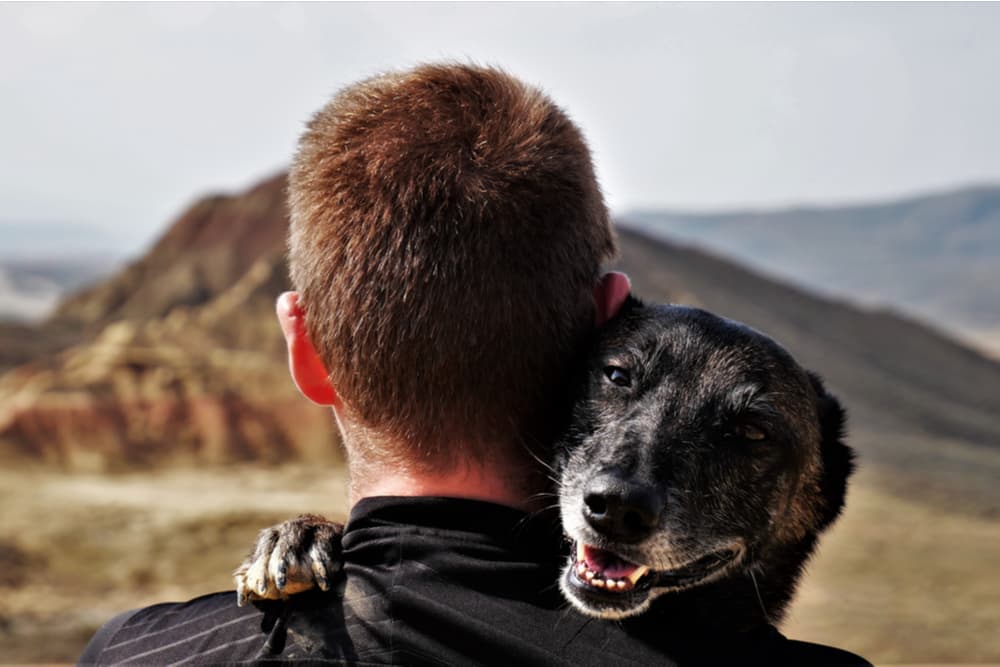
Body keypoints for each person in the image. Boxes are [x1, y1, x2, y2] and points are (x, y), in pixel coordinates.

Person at [79, 63, 867, 666]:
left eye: (752, 435)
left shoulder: (136, 652)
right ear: (586, 339)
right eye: (620, 379)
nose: (624, 492)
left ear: (309, 351)